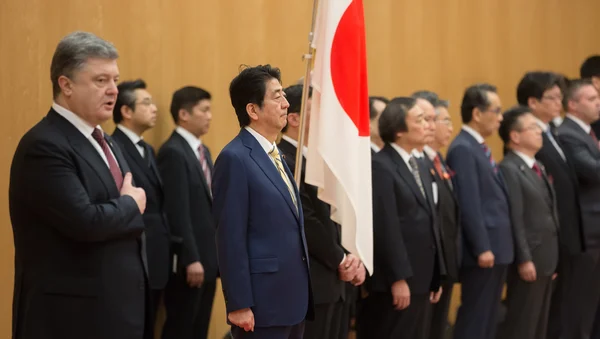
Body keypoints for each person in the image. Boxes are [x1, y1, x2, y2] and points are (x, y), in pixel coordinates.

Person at [9, 31, 147, 339]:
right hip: (70, 319)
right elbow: (85, 222)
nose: (114, 90)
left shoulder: (106, 140)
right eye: (101, 81)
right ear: (66, 85)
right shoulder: (44, 145)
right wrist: (130, 204)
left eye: (115, 80)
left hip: (116, 311)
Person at [212, 64, 314, 339]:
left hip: (292, 300)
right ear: (253, 110)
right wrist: (239, 303)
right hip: (262, 305)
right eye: (277, 96)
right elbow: (229, 237)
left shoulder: (276, 153)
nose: (286, 103)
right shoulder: (235, 158)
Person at [278, 84, 364, 339]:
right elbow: (308, 219)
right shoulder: (286, 159)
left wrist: (351, 254)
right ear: (293, 119)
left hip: (337, 278)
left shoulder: (319, 160)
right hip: (314, 277)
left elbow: (339, 213)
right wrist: (340, 259)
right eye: (317, 110)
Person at [358, 97, 443, 339]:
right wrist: (398, 278)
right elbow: (387, 227)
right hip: (400, 281)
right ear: (398, 130)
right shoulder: (381, 165)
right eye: (420, 120)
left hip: (423, 278)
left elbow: (430, 222)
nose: (428, 125)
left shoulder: (417, 163)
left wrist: (437, 276)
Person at [515, 71, 585, 339]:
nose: (560, 102)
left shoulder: (552, 132)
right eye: (552, 97)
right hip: (543, 240)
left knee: (558, 309)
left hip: (562, 234)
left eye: (560, 96)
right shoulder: (530, 140)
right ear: (533, 102)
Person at [447, 83, 513, 339]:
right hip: (482, 251)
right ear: (477, 113)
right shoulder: (463, 148)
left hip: (496, 248)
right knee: (475, 317)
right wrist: (482, 246)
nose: (501, 117)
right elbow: (469, 202)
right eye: (496, 111)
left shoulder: (478, 147)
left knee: (488, 317)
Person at [111, 79, 171, 339]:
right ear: (126, 111)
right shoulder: (114, 146)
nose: (154, 108)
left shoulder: (147, 149)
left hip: (157, 255)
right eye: (146, 103)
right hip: (133, 254)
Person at [158, 86, 218, 339]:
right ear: (184, 114)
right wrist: (190, 258)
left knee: (200, 328)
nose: (210, 116)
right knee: (182, 327)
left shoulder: (203, 151)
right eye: (204, 110)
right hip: (190, 263)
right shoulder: (173, 152)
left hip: (209, 259)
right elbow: (177, 211)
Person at [496, 106, 559, 339]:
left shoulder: (538, 165)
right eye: (533, 128)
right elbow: (516, 217)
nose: (539, 132)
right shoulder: (509, 168)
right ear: (515, 136)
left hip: (546, 258)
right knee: (523, 325)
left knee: (539, 326)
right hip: (530, 259)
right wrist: (524, 259)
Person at [413, 91, 461, 339]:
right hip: (425, 266)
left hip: (444, 262)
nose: (430, 127)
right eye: (425, 119)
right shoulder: (418, 163)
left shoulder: (437, 160)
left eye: (434, 120)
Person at [557, 78, 600, 339]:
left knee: (592, 303)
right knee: (580, 303)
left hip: (595, 231)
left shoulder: (586, 133)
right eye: (592, 99)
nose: (599, 104)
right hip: (585, 233)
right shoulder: (567, 134)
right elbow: (594, 173)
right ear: (572, 104)